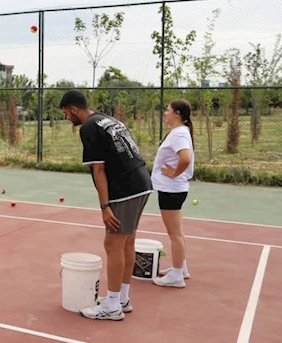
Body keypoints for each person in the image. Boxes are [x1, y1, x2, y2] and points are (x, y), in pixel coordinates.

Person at [60, 90, 153, 321]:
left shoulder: (88, 128)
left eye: (65, 113)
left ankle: (112, 306)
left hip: (125, 188)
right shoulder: (107, 119)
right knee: (127, 241)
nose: (65, 118)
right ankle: (121, 298)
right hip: (142, 182)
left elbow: (98, 170)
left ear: (73, 109)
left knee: (113, 244)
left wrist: (105, 206)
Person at [151, 99, 195, 288]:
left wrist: (174, 173)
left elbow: (185, 157)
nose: (165, 113)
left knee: (174, 234)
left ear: (177, 113)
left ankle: (176, 276)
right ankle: (181, 268)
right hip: (173, 189)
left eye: (167, 110)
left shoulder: (179, 134)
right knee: (178, 232)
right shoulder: (179, 132)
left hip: (171, 189)